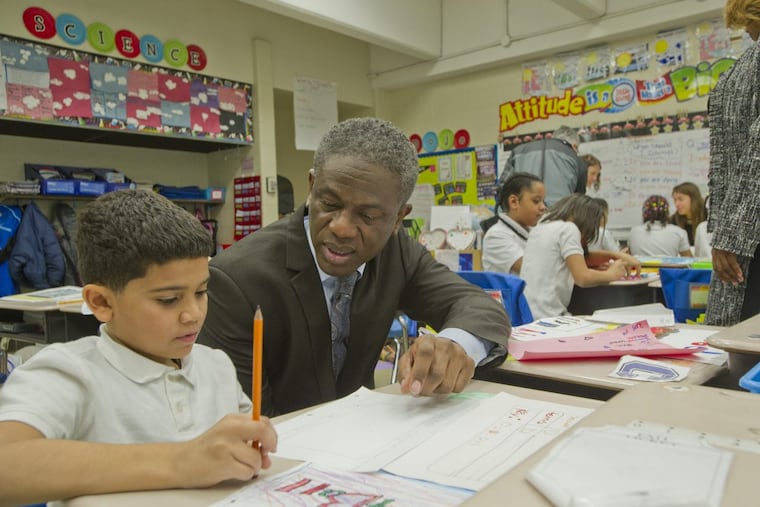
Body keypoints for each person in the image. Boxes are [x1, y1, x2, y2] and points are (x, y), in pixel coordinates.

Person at [198, 117, 510, 416]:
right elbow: (246, 422)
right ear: (311, 186)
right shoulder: (236, 279)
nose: (342, 228)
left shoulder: (396, 253)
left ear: (399, 218)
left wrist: (455, 345)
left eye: (368, 216)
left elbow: (477, 306)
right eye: (330, 204)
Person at [0, 190, 278, 507]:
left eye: (201, 292)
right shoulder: (68, 372)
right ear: (101, 302)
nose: (193, 314)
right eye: (168, 300)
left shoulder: (216, 365)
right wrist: (180, 462)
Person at [705, 0, 760, 326]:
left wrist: (730, 236)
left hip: (748, 234)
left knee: (743, 344)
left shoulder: (746, 66)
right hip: (747, 229)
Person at [521, 194, 641, 319]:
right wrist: (611, 274)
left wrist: (615, 255)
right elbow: (583, 278)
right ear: (585, 221)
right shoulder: (569, 229)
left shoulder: (541, 227)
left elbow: (582, 258)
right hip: (549, 316)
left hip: (529, 315)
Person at [500, 125, 588, 207]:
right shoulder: (576, 159)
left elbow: (503, 188)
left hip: (524, 215)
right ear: (574, 146)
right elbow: (579, 201)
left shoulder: (518, 151)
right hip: (559, 215)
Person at [481, 172, 546, 274]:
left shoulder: (534, 231)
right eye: (536, 201)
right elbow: (533, 269)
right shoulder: (496, 236)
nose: (543, 207)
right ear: (514, 202)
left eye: (543, 201)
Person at [670, 182, 706, 246]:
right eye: (675, 200)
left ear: (693, 199)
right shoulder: (673, 220)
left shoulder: (708, 217)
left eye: (680, 199)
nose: (677, 204)